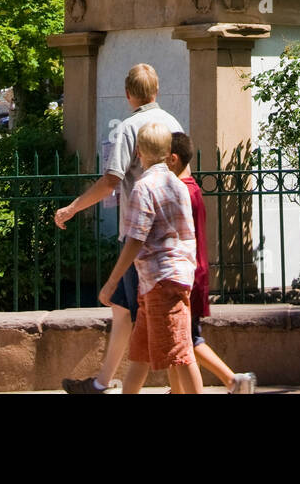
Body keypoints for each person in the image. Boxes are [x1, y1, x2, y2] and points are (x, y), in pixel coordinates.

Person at [56, 63, 182, 394]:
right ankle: (103, 382)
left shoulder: (128, 128)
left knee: (144, 315)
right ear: (157, 90)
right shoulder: (173, 123)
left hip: (138, 237)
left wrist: (72, 208)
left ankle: (187, 384)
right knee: (132, 311)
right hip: (171, 238)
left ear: (128, 94)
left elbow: (111, 180)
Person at [98, 122, 203, 395]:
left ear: (138, 152)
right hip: (170, 278)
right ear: (169, 151)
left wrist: (112, 282)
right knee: (141, 353)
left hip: (159, 280)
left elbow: (135, 239)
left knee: (181, 352)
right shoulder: (178, 185)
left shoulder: (143, 188)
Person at [166, 131, 257, 394]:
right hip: (193, 272)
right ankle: (177, 390)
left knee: (188, 338)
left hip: (187, 275)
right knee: (176, 336)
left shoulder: (182, 192)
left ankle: (234, 380)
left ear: (172, 159)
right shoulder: (191, 189)